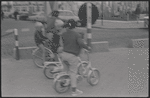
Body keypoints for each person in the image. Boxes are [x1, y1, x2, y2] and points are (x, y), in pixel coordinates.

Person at [53, 19, 91, 96]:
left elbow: (63, 44)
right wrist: (87, 47)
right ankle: (74, 91)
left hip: (64, 55)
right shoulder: (76, 34)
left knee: (67, 71)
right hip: (72, 56)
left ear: (67, 27)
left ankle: (66, 82)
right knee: (73, 72)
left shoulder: (63, 34)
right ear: (74, 26)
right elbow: (81, 43)